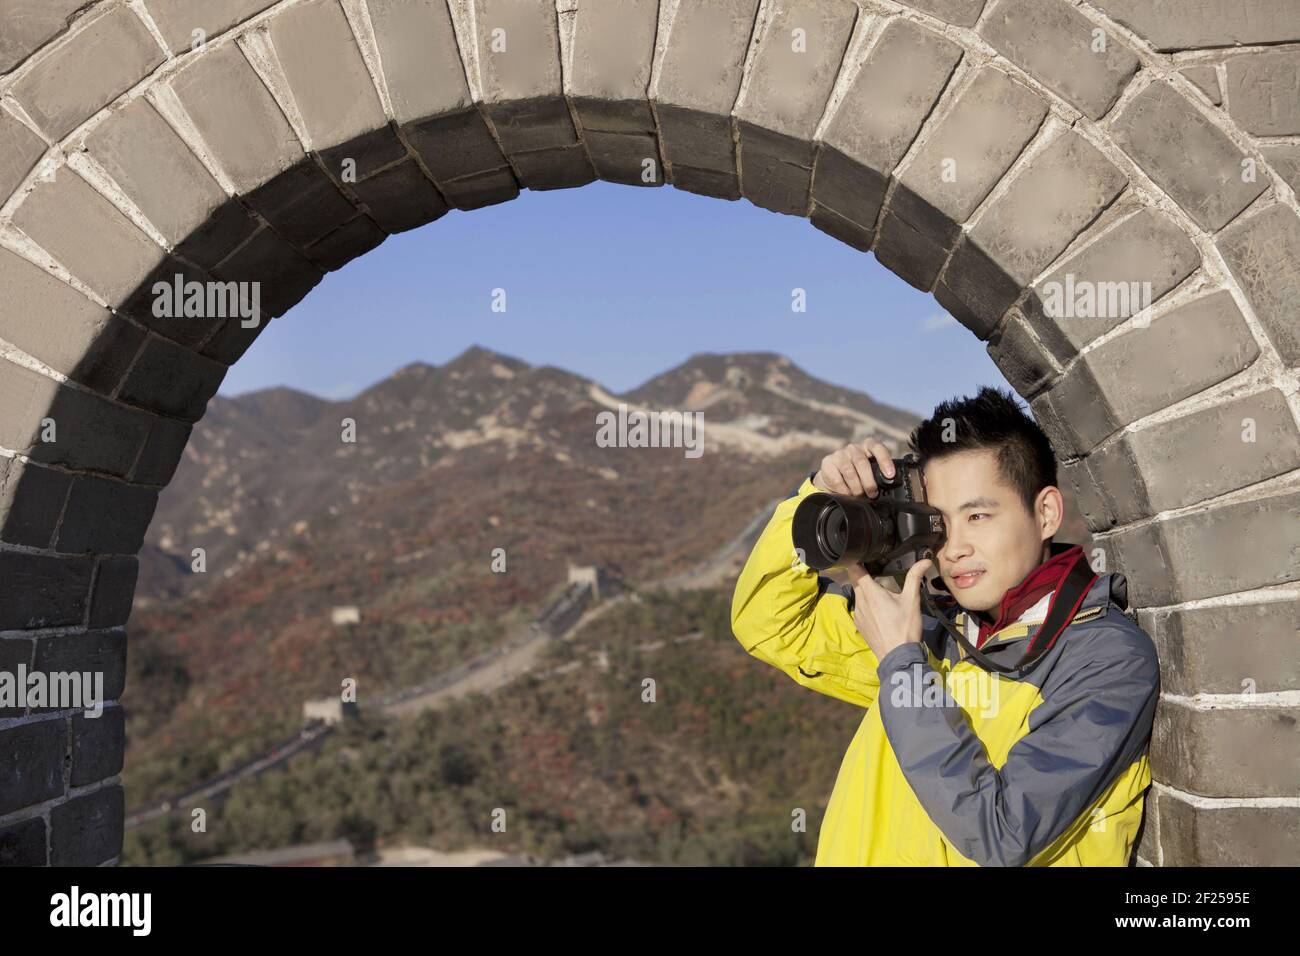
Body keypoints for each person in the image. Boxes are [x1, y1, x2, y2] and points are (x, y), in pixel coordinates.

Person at [730, 386, 1159, 866]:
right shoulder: (933, 630)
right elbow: (768, 624)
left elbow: (1003, 835)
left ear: (1046, 514)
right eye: (940, 523)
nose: (953, 549)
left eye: (977, 515)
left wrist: (901, 667)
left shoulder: (1104, 660)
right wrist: (819, 495)